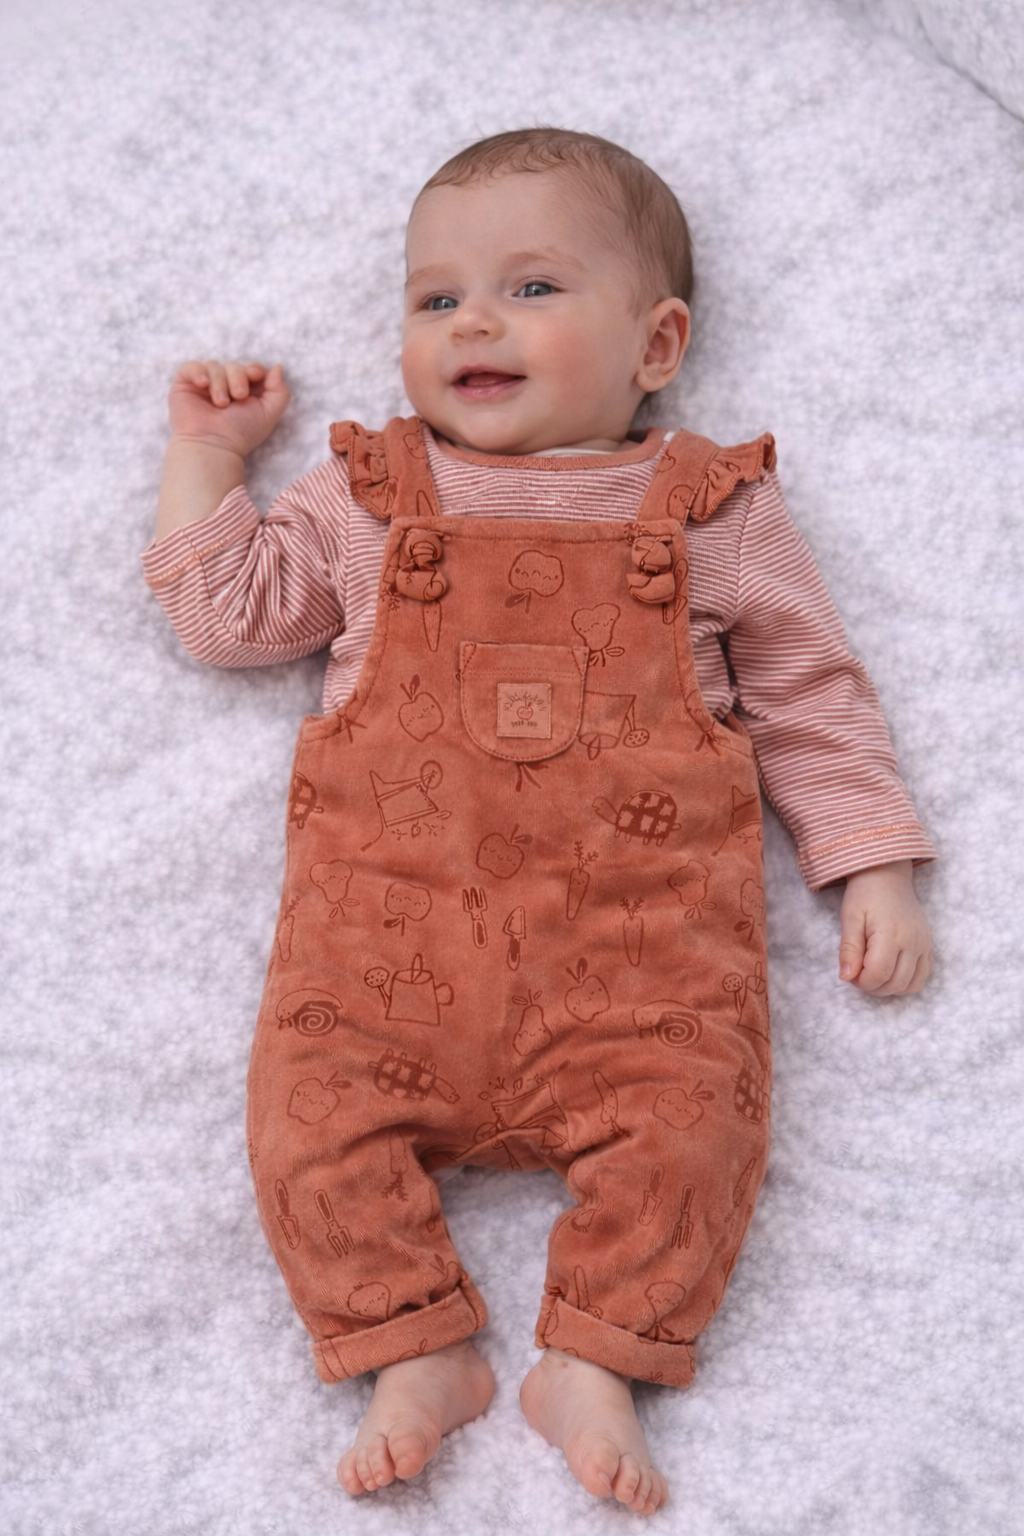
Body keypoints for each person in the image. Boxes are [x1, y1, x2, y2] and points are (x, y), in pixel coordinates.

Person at [144, 128, 936, 1516]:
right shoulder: (371, 496)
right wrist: (208, 458)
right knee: (303, 1133)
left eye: (531, 287)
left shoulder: (712, 511)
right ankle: (416, 1346)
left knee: (699, 1136)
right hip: (380, 976)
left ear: (657, 343)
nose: (474, 322)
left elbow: (810, 689)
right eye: (436, 297)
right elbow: (228, 616)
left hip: (643, 984)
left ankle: (598, 1358)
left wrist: (872, 863)